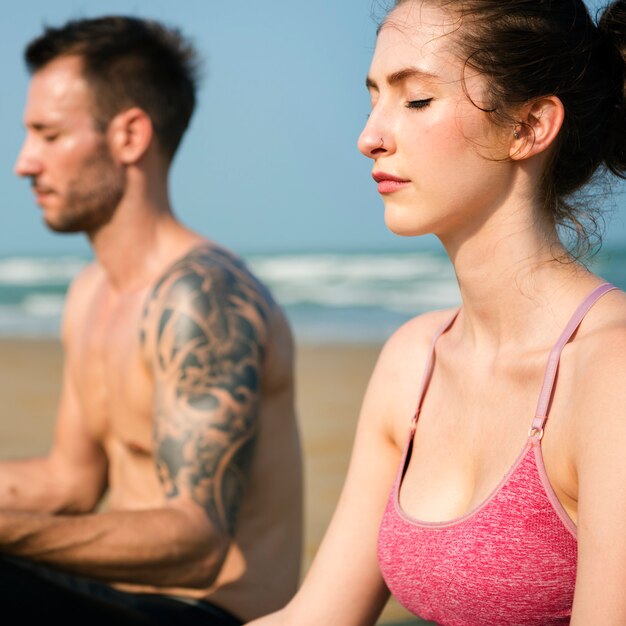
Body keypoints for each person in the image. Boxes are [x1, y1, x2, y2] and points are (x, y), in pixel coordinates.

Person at [247, 0, 626, 625]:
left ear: (529, 127)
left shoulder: (607, 371)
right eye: (373, 98)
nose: (369, 136)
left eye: (416, 100)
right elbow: (316, 617)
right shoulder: (413, 361)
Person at [4, 15, 302, 626]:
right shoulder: (90, 294)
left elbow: (197, 542)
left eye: (49, 135)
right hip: (119, 600)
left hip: (212, 613)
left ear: (130, 136)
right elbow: (69, 482)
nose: (24, 163)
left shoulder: (203, 296)